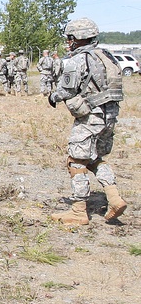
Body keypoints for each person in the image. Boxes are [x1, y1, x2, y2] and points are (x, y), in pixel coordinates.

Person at [48, 18, 127, 225]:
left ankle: (78, 211)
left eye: (69, 38)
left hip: (91, 117)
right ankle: (115, 198)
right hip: (110, 116)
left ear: (76, 38)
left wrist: (53, 97)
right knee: (95, 158)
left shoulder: (77, 60)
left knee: (76, 161)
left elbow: (66, 90)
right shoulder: (108, 57)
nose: (68, 42)